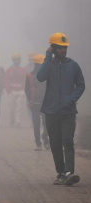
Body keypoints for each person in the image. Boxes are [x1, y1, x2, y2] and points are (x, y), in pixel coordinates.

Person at [37, 32, 85, 185]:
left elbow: (81, 85)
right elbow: (40, 77)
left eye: (65, 47)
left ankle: (70, 172)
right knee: (55, 143)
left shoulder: (73, 65)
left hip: (68, 112)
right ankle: (61, 173)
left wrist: (71, 100)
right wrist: (47, 57)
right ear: (53, 48)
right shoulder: (48, 64)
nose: (63, 50)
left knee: (67, 141)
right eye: (60, 48)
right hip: (51, 111)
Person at [25, 54, 49, 151]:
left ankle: (45, 138)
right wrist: (30, 101)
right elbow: (26, 90)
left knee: (46, 124)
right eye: (38, 64)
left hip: (46, 103)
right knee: (36, 124)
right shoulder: (29, 76)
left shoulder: (49, 75)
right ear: (35, 64)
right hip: (34, 104)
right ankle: (38, 143)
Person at [4, 53, 27, 128]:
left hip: (20, 91)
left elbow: (25, 80)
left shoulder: (22, 70)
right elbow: (5, 80)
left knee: (19, 108)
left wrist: (23, 90)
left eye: (18, 60)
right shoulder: (9, 70)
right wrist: (8, 90)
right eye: (15, 60)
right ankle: (12, 121)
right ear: (13, 60)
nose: (16, 61)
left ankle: (18, 123)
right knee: (12, 108)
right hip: (12, 91)